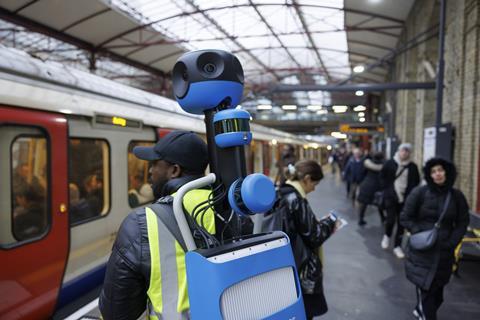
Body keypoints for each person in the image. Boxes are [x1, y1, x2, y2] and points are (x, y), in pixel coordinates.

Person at [99, 130, 211, 320]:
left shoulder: (142, 222)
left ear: (174, 170)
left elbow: (115, 312)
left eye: (154, 165)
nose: (150, 171)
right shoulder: (231, 211)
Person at [400, 158, 469, 320]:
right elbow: (405, 217)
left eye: (440, 170)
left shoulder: (456, 196)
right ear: (429, 175)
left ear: (447, 172)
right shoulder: (420, 192)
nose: (437, 174)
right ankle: (425, 313)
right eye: (433, 171)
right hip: (422, 251)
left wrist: (453, 241)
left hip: (444, 252)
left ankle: (420, 309)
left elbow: (462, 221)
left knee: (438, 295)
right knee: (427, 293)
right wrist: (419, 232)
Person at [281, 160, 339, 320]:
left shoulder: (281, 191)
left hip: (288, 263)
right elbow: (315, 236)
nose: (314, 189)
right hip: (302, 268)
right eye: (315, 183)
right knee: (305, 313)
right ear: (306, 179)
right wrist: (331, 221)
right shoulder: (296, 200)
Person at [379, 143, 420, 258]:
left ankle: (397, 246)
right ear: (398, 151)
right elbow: (382, 177)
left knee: (402, 224)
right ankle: (387, 236)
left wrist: (411, 196)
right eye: (403, 150)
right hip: (391, 197)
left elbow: (416, 182)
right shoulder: (390, 163)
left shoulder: (413, 167)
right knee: (390, 220)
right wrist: (386, 190)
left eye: (407, 151)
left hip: (405, 200)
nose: (404, 153)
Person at [356, 151, 385, 226]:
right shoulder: (384, 165)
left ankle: (361, 219)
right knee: (379, 203)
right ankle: (383, 218)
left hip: (367, 185)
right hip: (378, 186)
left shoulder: (368, 163)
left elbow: (362, 172)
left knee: (363, 204)